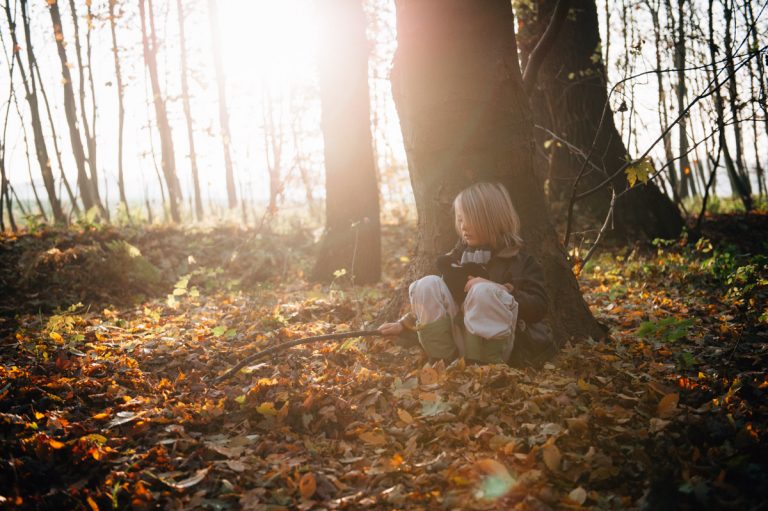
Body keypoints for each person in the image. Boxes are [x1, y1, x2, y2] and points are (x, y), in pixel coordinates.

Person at [378, 182, 555, 366]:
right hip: (459, 343)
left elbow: (539, 307)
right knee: (427, 284)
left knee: (482, 290)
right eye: (460, 219)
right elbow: (437, 301)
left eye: (470, 219)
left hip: (496, 346)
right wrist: (404, 325)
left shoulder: (521, 262)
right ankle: (442, 361)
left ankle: (484, 368)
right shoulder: (457, 259)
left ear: (492, 219)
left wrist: (502, 289)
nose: (463, 226)